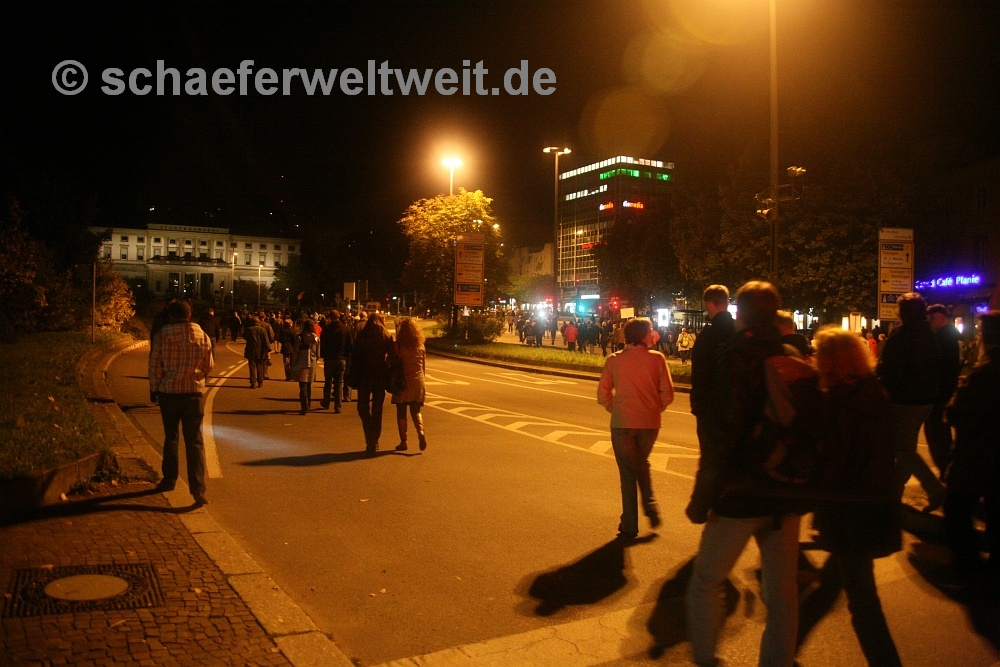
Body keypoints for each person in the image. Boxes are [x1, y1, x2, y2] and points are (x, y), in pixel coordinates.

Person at [685, 281, 803, 667]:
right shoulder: (792, 357)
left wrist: (702, 498)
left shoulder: (736, 358)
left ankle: (707, 660)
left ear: (741, 313)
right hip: (785, 493)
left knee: (707, 581)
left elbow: (721, 436)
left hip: (740, 493)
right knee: (783, 595)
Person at [797, 326, 902, 666]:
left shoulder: (839, 402)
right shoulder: (873, 393)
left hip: (850, 512)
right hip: (873, 506)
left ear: (829, 361)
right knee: (831, 587)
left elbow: (833, 463)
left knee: (862, 602)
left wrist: (808, 498)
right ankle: (784, 650)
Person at [597, 317, 674, 540]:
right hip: (650, 423)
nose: (653, 334)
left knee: (628, 471)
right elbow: (667, 394)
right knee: (640, 462)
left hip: (622, 423)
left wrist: (614, 408)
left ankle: (630, 524)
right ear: (643, 335)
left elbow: (602, 394)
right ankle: (649, 502)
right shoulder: (657, 359)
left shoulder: (614, 360)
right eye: (651, 331)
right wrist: (655, 408)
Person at [875, 292, 947, 511]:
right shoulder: (929, 335)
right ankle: (893, 493)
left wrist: (881, 390)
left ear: (902, 312)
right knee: (906, 449)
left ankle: (933, 489)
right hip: (925, 400)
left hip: (905, 400)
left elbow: (890, 371)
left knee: (903, 450)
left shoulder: (902, 336)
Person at [943, 310, 1000, 581]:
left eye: (979, 334)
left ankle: (968, 569)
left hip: (980, 456)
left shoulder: (986, 371)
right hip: (988, 456)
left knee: (957, 510)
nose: (977, 339)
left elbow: (957, 412)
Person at [148, 300, 214, 505]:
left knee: (171, 437)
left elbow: (155, 365)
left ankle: (169, 479)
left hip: (169, 393)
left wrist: (154, 388)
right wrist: (197, 375)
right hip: (193, 393)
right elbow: (209, 365)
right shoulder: (202, 335)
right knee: (195, 441)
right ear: (189, 314)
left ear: (170, 315)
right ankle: (198, 489)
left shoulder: (162, 335)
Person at [689, 285, 736, 483]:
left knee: (711, 460)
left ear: (709, 304)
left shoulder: (707, 336)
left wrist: (697, 405)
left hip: (711, 409)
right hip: (737, 407)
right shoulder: (740, 331)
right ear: (727, 302)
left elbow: (699, 374)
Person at [924, 303, 963, 478]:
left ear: (940, 318)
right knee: (939, 434)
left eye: (932, 319)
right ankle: (947, 471)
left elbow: (939, 366)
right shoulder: (949, 336)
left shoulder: (942, 338)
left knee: (938, 434)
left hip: (939, 393)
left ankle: (947, 472)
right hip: (943, 392)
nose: (929, 322)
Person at [350, 312, 395, 454]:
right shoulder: (386, 336)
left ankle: (370, 435)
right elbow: (392, 357)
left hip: (364, 374)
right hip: (380, 375)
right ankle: (374, 439)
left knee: (362, 407)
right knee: (377, 409)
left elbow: (355, 356)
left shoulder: (362, 336)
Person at [391, 318, 428, 451]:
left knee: (401, 412)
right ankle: (421, 433)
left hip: (403, 382)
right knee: (416, 410)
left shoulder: (399, 346)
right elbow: (423, 367)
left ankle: (403, 442)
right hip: (418, 381)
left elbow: (393, 363)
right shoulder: (421, 346)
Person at [320, 309, 353, 413]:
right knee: (338, 383)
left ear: (330, 317)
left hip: (329, 358)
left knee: (328, 382)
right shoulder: (345, 329)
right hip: (341, 359)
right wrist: (346, 356)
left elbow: (323, 343)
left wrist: (323, 355)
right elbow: (350, 345)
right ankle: (338, 406)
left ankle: (326, 402)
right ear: (339, 317)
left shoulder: (326, 329)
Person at [289, 320, 320, 415]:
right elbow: (318, 353)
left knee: (302, 385)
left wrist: (293, 363)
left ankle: (304, 407)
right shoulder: (316, 338)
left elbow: (295, 351)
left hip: (301, 362)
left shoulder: (299, 337)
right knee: (309, 385)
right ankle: (308, 405)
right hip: (312, 363)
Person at [242, 316, 271, 388]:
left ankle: (253, 382)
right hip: (261, 351)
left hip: (251, 350)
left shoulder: (249, 329)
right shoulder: (263, 330)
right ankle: (260, 382)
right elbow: (266, 341)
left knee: (252, 367)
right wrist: (268, 349)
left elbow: (244, 336)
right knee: (260, 366)